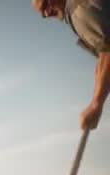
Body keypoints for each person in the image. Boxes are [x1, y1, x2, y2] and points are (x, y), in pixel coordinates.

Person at [31, 0, 110, 130]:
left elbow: (108, 50)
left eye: (46, 5)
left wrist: (96, 104)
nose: (47, 13)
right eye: (42, 13)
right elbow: (104, 54)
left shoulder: (79, 10)